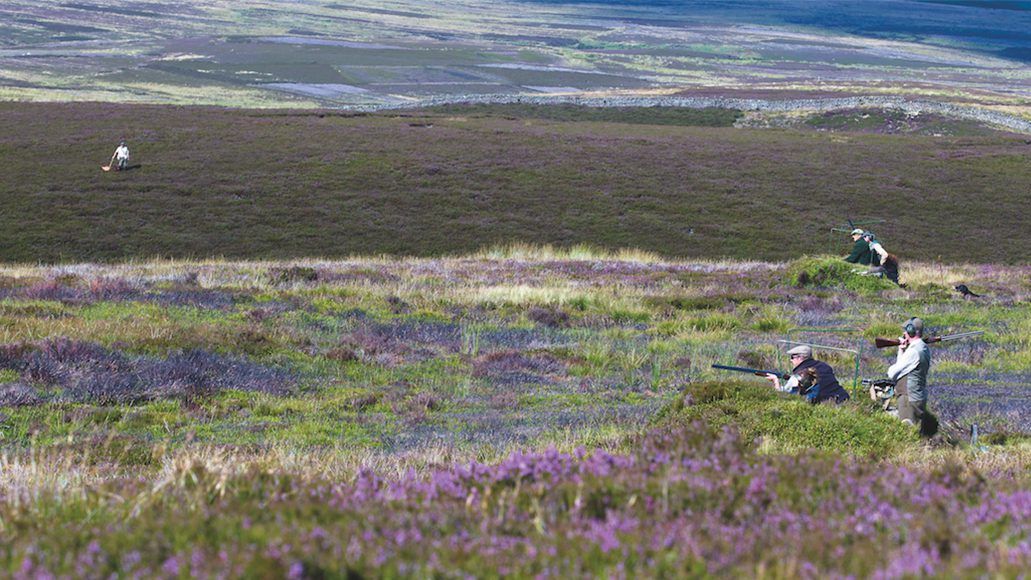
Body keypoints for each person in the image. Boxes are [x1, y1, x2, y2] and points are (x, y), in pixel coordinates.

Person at [764, 344, 850, 404]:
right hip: (844, 399)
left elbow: (784, 395)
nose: (791, 360)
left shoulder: (798, 377)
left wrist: (775, 381)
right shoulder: (825, 366)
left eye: (792, 357)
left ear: (800, 358)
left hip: (825, 407)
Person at [885, 317, 931, 427]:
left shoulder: (913, 352)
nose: (904, 333)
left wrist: (891, 368)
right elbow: (905, 367)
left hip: (908, 398)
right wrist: (901, 350)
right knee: (914, 432)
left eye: (906, 330)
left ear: (911, 331)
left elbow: (892, 373)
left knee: (907, 431)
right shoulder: (923, 347)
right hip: (917, 397)